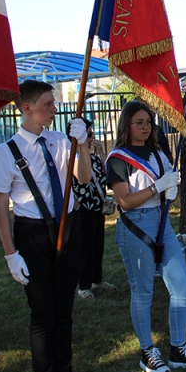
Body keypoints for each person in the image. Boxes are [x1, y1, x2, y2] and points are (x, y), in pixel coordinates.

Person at [0, 80, 92, 372]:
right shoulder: (6, 152)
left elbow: (84, 178)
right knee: (43, 313)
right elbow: (0, 206)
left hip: (67, 228)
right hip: (32, 235)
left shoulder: (62, 141)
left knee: (65, 312)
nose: (55, 109)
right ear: (27, 108)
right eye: (48, 104)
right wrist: (10, 253)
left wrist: (84, 144)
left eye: (55, 103)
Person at [106, 100, 186, 372]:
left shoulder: (158, 153)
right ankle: (147, 351)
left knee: (182, 287)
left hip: (162, 222)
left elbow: (167, 186)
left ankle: (178, 347)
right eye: (138, 122)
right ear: (126, 124)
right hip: (135, 225)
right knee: (143, 292)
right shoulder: (118, 158)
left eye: (148, 122)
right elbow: (126, 201)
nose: (145, 127)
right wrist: (156, 188)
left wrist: (169, 190)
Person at [71, 118, 115, 300]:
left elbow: (108, 174)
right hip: (83, 209)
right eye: (88, 135)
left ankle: (97, 279)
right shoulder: (73, 158)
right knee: (85, 248)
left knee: (98, 246)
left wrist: (102, 152)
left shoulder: (95, 158)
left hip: (97, 208)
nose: (91, 138)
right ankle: (83, 285)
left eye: (91, 134)